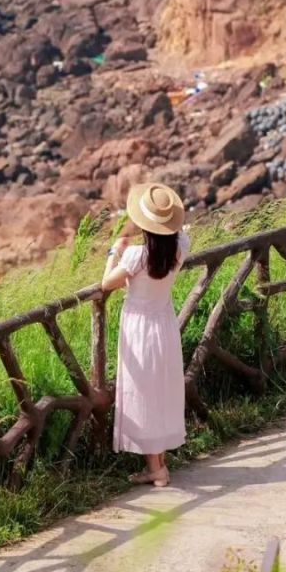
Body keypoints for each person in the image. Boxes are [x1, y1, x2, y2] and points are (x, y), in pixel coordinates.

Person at [101, 179, 189, 487]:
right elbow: (181, 234)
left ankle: (156, 469)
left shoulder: (136, 256)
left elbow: (106, 283)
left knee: (144, 392)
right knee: (162, 390)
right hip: (164, 321)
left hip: (139, 327)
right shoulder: (180, 248)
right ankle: (160, 462)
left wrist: (114, 251)